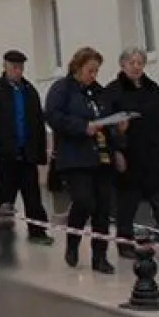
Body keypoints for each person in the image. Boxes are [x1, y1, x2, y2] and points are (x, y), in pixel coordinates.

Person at [104, 46, 159, 262]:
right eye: (132, 63)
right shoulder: (113, 91)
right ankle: (125, 244)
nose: (136, 67)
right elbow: (107, 125)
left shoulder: (152, 88)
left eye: (140, 63)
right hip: (129, 156)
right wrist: (117, 148)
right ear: (123, 65)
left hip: (154, 157)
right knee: (127, 204)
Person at [45, 47, 127, 274]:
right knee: (84, 201)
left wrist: (118, 131)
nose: (93, 75)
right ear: (78, 67)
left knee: (102, 208)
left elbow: (107, 118)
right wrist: (81, 127)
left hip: (101, 156)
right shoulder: (62, 89)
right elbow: (53, 116)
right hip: (75, 157)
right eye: (90, 70)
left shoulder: (99, 92)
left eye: (96, 71)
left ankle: (100, 257)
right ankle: (72, 243)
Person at [0, 49, 54, 246]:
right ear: (5, 67)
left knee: (33, 196)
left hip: (27, 154)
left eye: (20, 67)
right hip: (5, 155)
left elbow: (38, 122)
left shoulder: (29, 91)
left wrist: (39, 152)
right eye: (14, 67)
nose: (18, 71)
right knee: (6, 198)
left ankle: (37, 232)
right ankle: (3, 235)